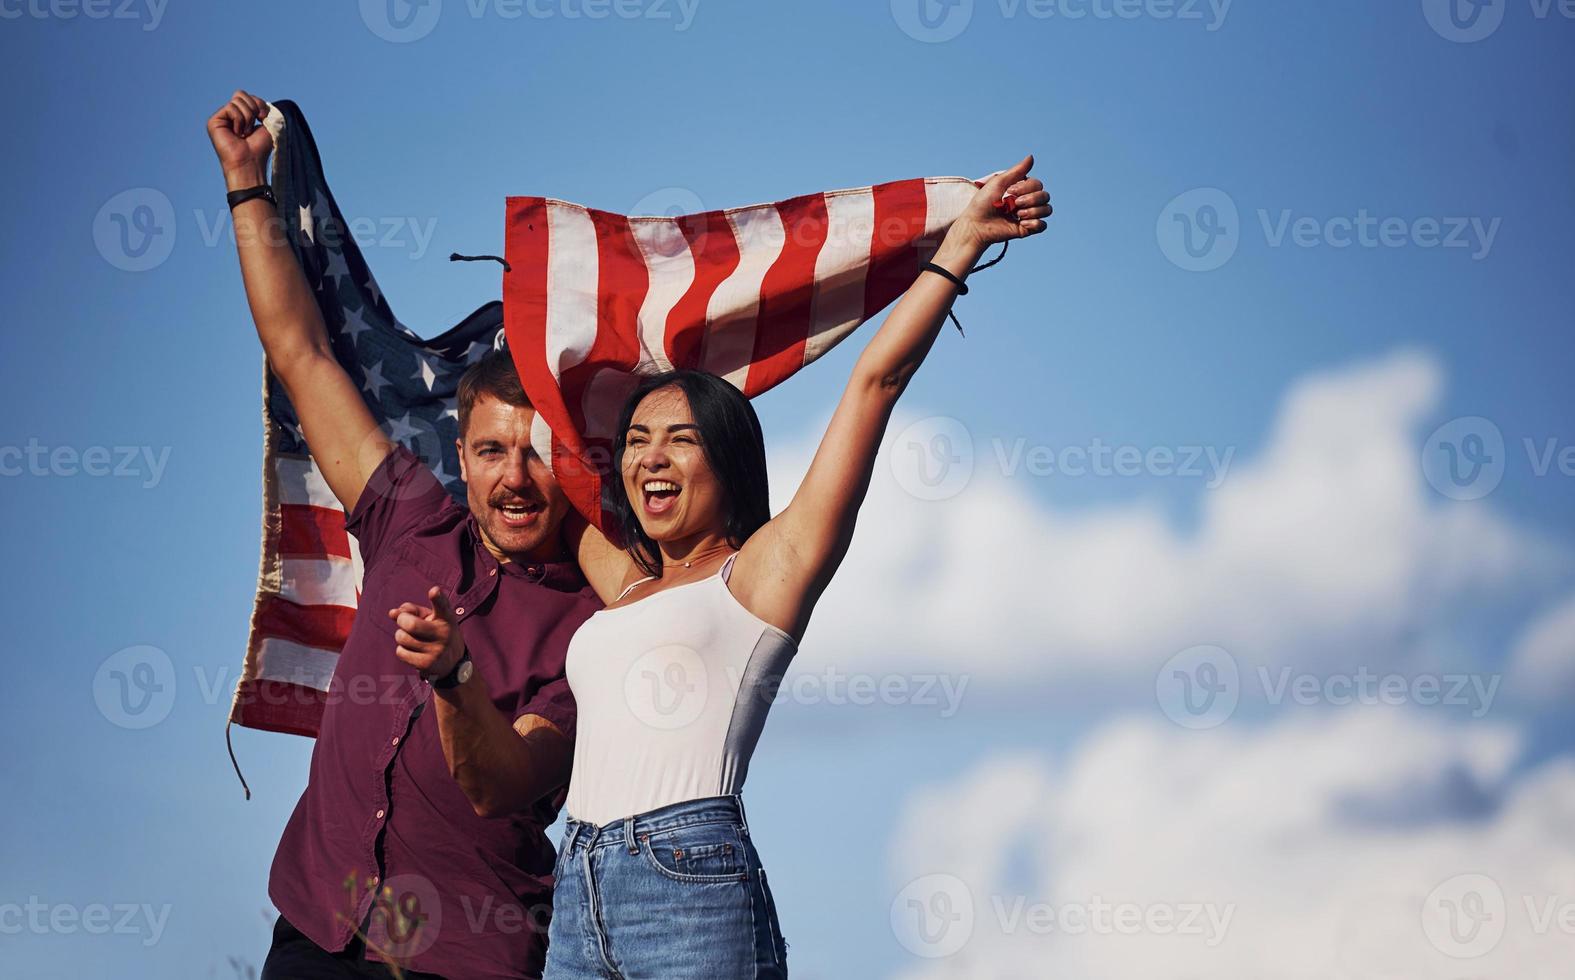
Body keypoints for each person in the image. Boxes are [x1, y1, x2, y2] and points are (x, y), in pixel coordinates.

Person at [538, 156, 1050, 977]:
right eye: (635, 441)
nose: (650, 459)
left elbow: (873, 384)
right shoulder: (624, 586)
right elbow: (538, 453)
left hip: (688, 883)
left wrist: (959, 248)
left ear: (729, 461)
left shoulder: (763, 571)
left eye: (679, 439)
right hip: (575, 886)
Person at [209, 89, 600, 980]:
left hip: (465, 959)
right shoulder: (408, 515)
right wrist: (245, 186)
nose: (514, 476)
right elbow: (301, 350)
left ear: (574, 462)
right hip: (315, 926)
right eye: (493, 451)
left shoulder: (595, 624)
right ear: (460, 455)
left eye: (538, 455)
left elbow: (505, 780)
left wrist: (454, 673)